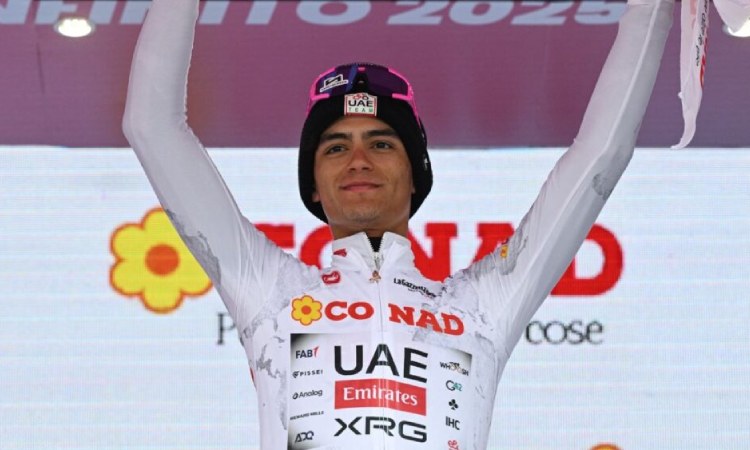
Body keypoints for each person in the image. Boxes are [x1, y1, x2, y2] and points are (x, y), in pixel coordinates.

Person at [123, 0, 674, 448]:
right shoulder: (272, 292)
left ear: (416, 177)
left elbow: (601, 155)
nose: (358, 161)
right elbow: (151, 126)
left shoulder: (480, 308)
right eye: (335, 147)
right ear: (313, 187)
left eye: (382, 143)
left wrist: (653, 8)